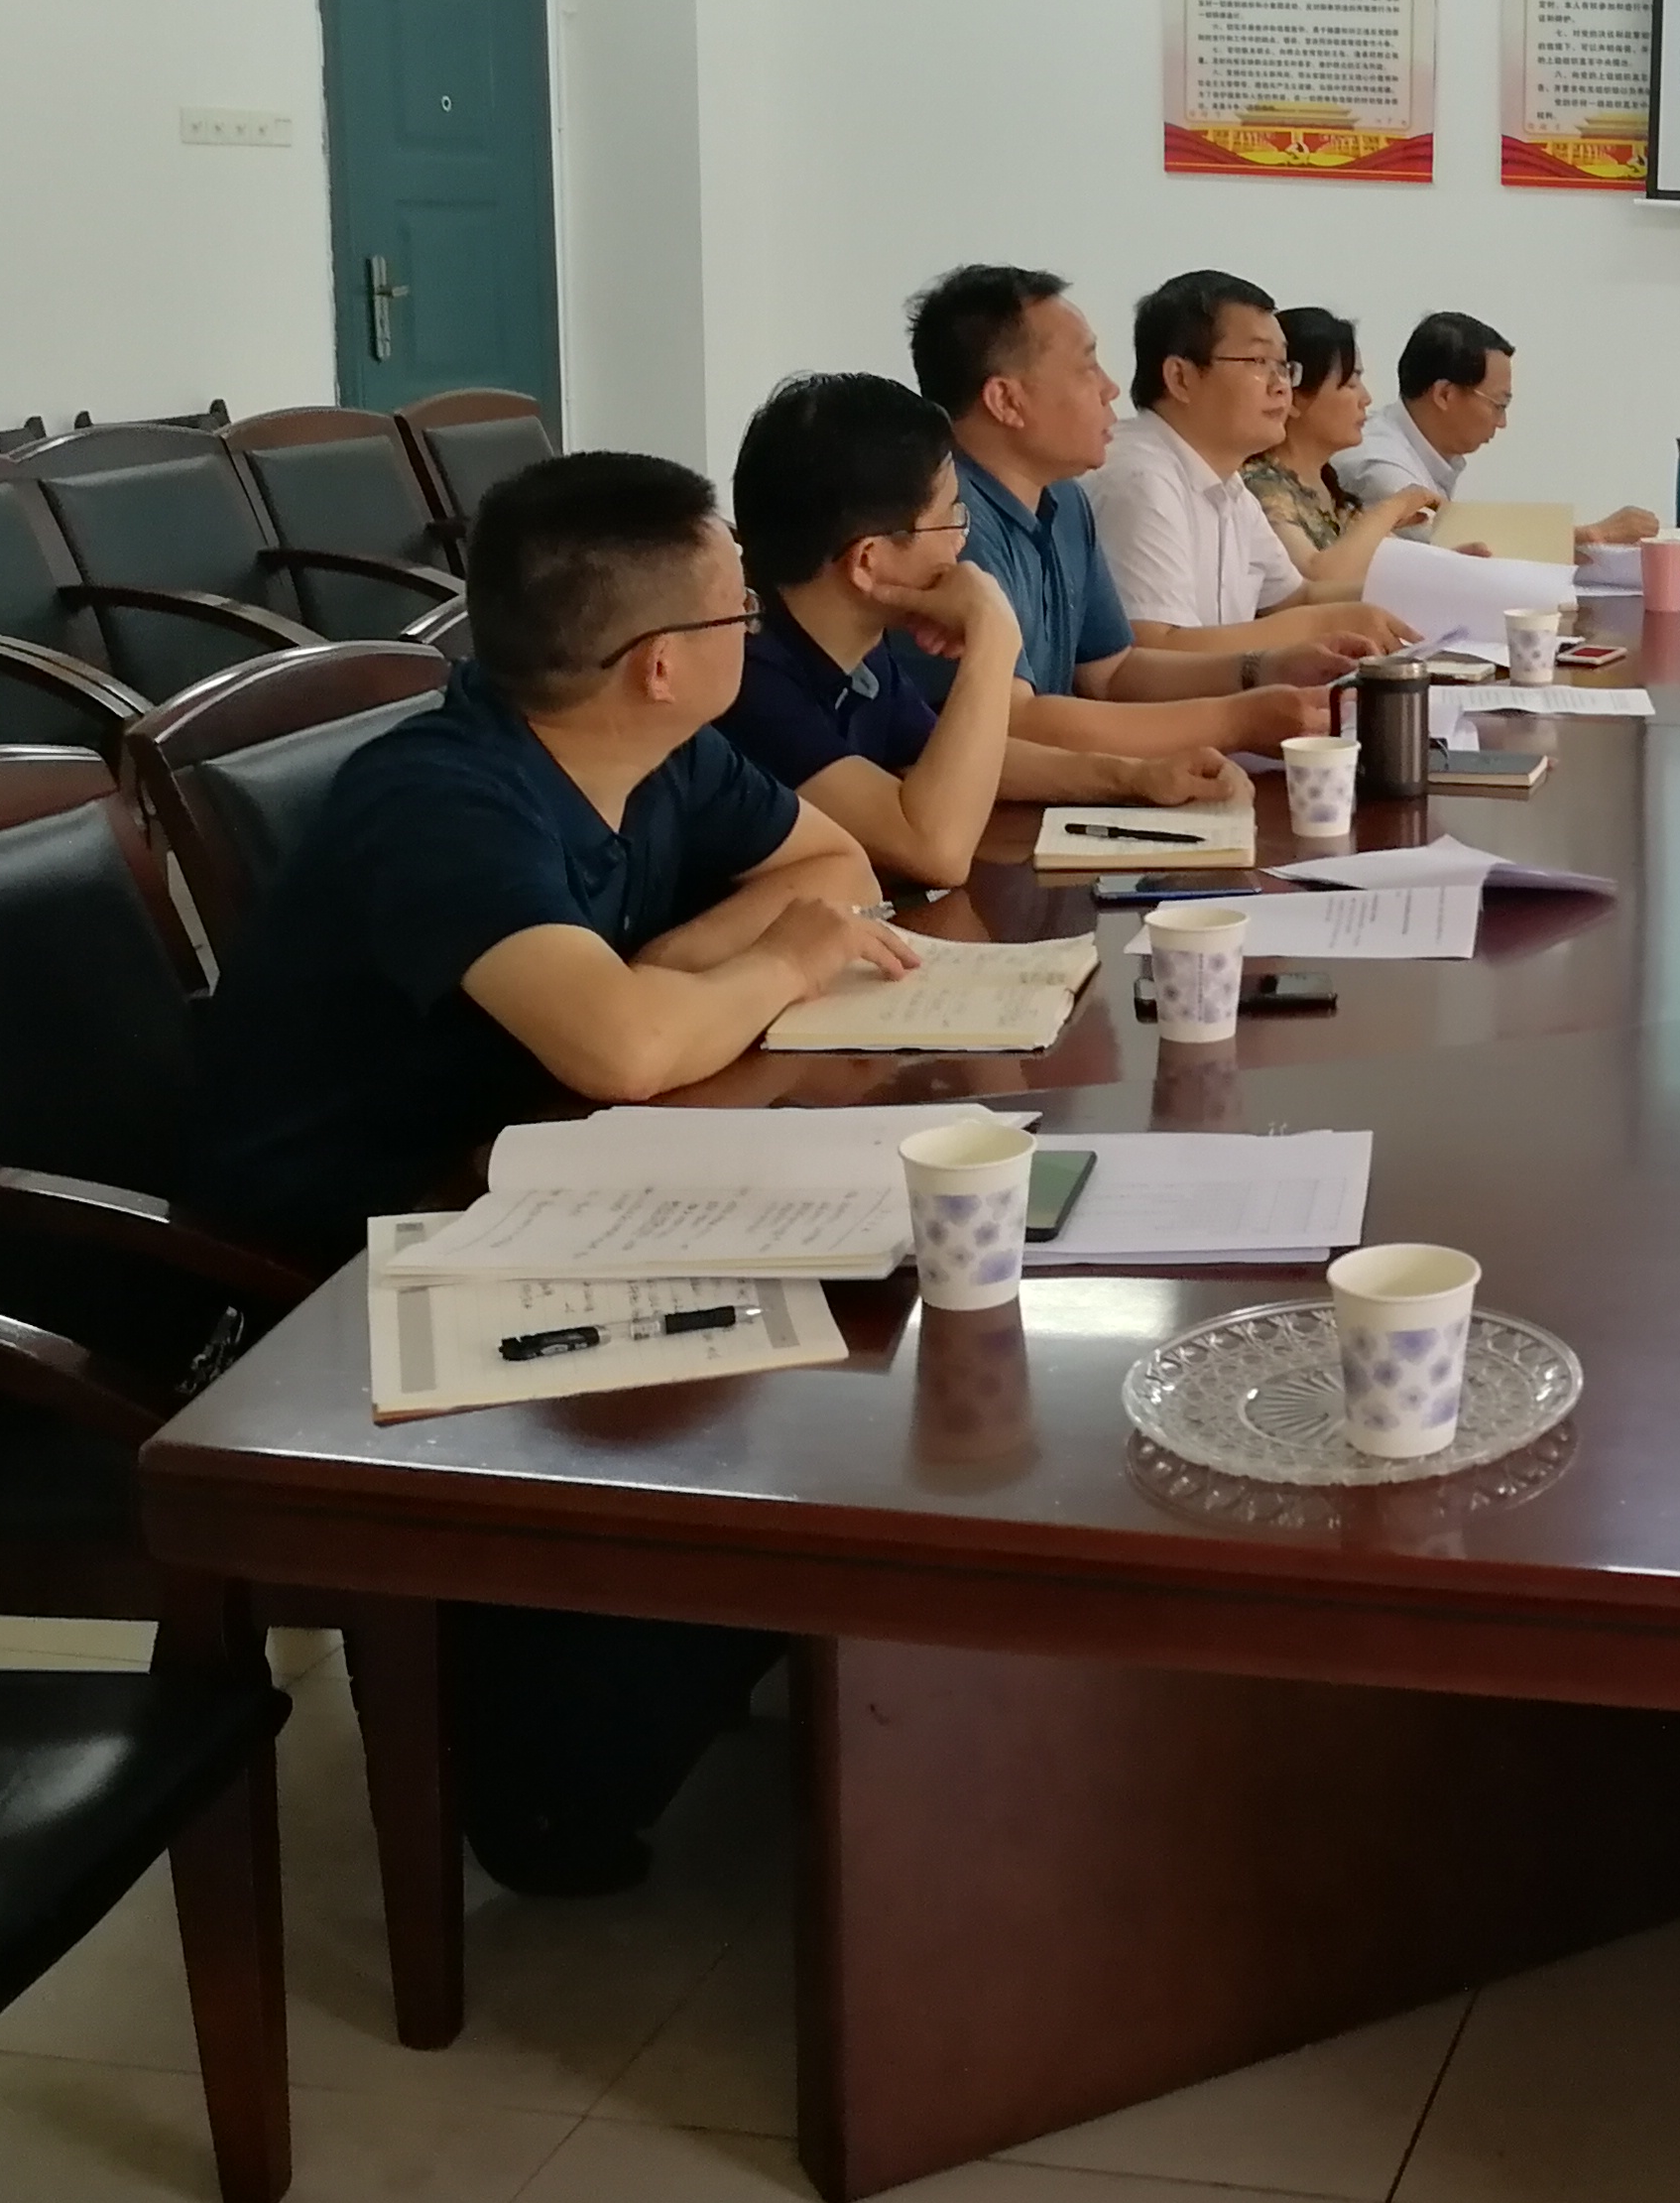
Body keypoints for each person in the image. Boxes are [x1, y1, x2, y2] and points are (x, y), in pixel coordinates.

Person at [182, 451, 922, 1898]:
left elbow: (833, 870)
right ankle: (547, 1782)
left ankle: (700, 1679)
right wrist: (758, 970)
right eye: (737, 613)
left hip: (519, 1183)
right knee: (789, 1365)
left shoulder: (652, 752)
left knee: (850, 1317)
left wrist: (664, 973)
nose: (757, 630)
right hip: (329, 1259)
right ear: (661, 664)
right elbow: (630, 1051)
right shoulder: (445, 799)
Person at [723, 371, 1242, 890]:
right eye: (951, 516)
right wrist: (993, 637)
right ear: (868, 562)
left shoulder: (856, 648)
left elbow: (952, 761)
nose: (961, 542)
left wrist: (1135, 777)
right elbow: (934, 848)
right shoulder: (747, 678)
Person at [900, 264, 1343, 756]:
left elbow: (1111, 671)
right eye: (1086, 367)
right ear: (1006, 400)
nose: (1110, 389)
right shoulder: (946, 524)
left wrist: (1263, 668)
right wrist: (1234, 721)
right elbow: (1013, 722)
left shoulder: (1064, 499)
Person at [1085, 271, 1408, 648]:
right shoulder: (1141, 479)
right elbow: (1156, 648)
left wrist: (1426, 588)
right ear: (1181, 378)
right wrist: (1323, 624)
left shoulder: (1227, 481)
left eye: (1284, 365)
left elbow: (1295, 598)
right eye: (1258, 361)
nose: (1281, 385)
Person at [1332, 307, 1659, 550]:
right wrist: (1591, 535)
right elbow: (1450, 547)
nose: (1502, 423)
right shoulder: (1377, 463)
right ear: (1444, 394)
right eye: (1498, 405)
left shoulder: (1419, 448)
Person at [1247, 305, 1448, 593]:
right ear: (1294, 397)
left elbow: (1394, 568)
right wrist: (1393, 507)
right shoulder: (1259, 486)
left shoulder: (1332, 490)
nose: (1366, 398)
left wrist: (1454, 566)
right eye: (1350, 383)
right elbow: (1319, 578)